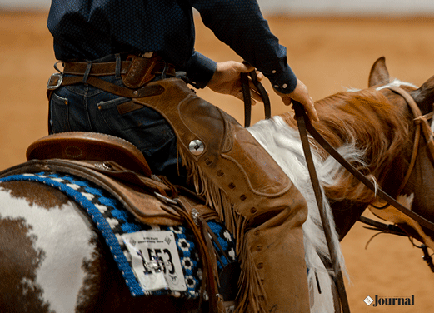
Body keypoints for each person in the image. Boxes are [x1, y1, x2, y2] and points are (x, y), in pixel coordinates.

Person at [46, 0, 316, 312]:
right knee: (279, 204)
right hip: (139, 107)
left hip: (67, 100)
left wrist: (208, 73)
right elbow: (230, 7)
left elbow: (116, 19)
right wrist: (282, 76)